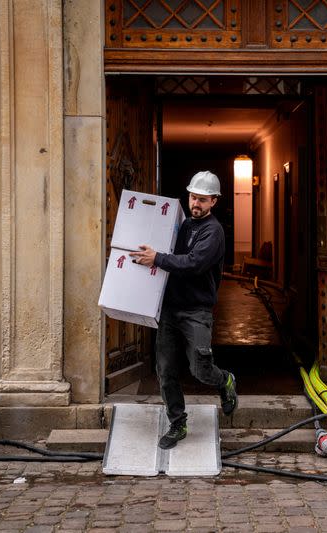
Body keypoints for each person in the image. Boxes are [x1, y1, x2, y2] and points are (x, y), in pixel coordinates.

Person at [129, 170, 237, 449]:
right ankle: (178, 423)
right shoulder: (185, 225)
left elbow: (193, 264)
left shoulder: (214, 232)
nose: (196, 204)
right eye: (192, 197)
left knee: (200, 370)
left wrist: (157, 258)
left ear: (214, 201)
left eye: (202, 199)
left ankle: (225, 380)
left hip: (196, 312)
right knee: (165, 370)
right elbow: (164, 246)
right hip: (170, 310)